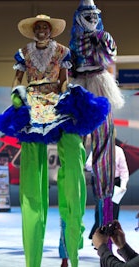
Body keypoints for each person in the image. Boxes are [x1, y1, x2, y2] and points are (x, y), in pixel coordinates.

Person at [0, 14, 109, 267]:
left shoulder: (62, 52)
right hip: (33, 102)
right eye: (39, 27)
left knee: (72, 159)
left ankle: (72, 251)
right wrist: (16, 92)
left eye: (45, 27)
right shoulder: (23, 52)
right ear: (34, 31)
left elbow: (64, 77)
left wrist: (67, 91)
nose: (42, 30)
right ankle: (32, 259)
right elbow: (18, 79)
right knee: (32, 175)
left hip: (56, 101)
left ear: (51, 31)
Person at [69, 0, 125, 230]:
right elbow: (70, 65)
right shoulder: (73, 41)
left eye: (94, 16)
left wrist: (100, 39)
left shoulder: (104, 36)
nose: (92, 20)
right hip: (81, 85)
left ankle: (105, 195)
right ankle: (74, 187)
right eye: (87, 16)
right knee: (77, 140)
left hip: (99, 84)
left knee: (104, 139)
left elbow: (109, 56)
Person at [87, 144, 129, 239]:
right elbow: (88, 165)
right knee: (100, 209)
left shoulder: (118, 150)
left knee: (114, 210)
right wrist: (100, 163)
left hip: (116, 182)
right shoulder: (96, 149)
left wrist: (123, 186)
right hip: (100, 181)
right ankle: (97, 235)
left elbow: (124, 170)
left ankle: (112, 235)